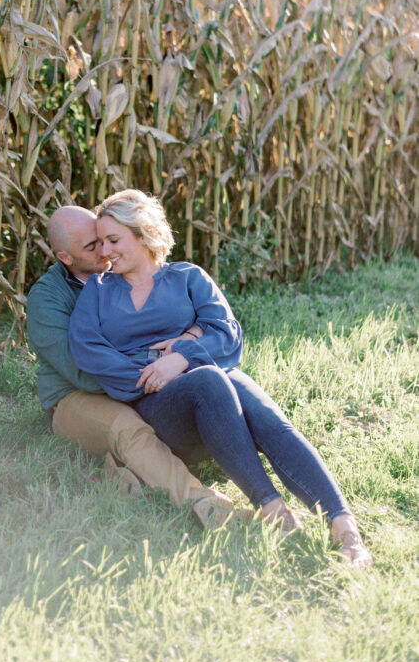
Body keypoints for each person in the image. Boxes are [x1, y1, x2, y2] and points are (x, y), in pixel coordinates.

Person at [68, 189, 373, 568]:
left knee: (252, 398)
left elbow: (227, 333)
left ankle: (344, 528)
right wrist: (153, 371)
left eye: (114, 240)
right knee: (211, 379)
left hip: (212, 394)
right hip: (157, 407)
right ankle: (273, 509)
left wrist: (180, 357)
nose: (105, 252)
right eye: (101, 242)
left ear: (143, 234)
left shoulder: (187, 277)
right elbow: (89, 351)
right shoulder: (97, 291)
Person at [25, 205, 250, 530]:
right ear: (66, 258)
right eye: (93, 246)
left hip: (137, 381)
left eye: (105, 238)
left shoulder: (126, 271)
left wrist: (185, 348)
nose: (105, 250)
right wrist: (160, 369)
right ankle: (205, 504)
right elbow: (79, 370)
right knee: (126, 428)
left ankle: (122, 472)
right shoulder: (47, 298)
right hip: (75, 395)